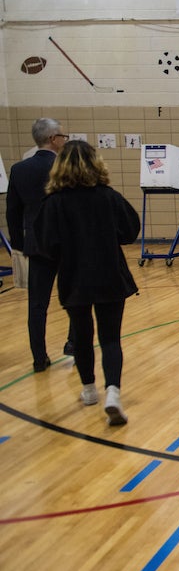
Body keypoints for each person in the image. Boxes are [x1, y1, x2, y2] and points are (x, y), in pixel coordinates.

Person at [36, 140, 140, 425]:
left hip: (74, 276)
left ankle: (88, 389)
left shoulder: (54, 203)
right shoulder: (108, 197)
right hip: (109, 274)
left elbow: (46, 244)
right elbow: (131, 229)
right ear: (97, 163)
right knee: (110, 338)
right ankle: (114, 392)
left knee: (81, 336)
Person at [5, 118, 75, 372]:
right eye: (63, 137)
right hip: (66, 242)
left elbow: (12, 211)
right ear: (54, 139)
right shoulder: (65, 167)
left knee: (37, 303)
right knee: (74, 295)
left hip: (36, 243)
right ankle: (72, 342)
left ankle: (39, 357)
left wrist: (20, 244)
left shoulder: (20, 169)